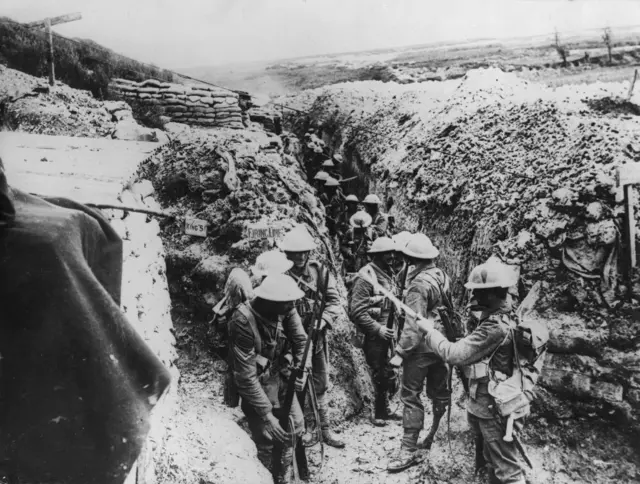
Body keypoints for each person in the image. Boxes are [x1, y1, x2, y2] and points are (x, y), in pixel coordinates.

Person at [413, 260, 545, 484]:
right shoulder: (504, 318)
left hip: (495, 408)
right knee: (493, 461)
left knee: (508, 470)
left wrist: (429, 332)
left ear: (493, 294)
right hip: (489, 404)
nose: (473, 295)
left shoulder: (495, 328)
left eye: (478, 291)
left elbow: (454, 354)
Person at [228, 274, 309, 484]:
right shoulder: (242, 320)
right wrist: (267, 415)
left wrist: (302, 370)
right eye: (288, 303)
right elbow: (246, 377)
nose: (293, 306)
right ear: (272, 302)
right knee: (266, 438)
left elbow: (301, 340)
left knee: (296, 425)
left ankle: (285, 475)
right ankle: (266, 476)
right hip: (256, 383)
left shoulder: (285, 308)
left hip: (281, 376)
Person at [388, 233, 452, 472]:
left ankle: (408, 448)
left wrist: (400, 352)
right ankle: (435, 436)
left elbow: (414, 325)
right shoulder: (442, 275)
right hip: (441, 344)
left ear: (411, 258)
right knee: (439, 393)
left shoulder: (417, 285)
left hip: (420, 349)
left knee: (411, 396)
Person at [280, 226, 346, 448]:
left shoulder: (320, 272)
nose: (299, 257)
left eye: (303, 252)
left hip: (315, 337)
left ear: (309, 253)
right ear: (286, 254)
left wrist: (324, 320)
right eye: (294, 253)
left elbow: (335, 302)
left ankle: (324, 430)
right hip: (290, 341)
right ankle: (305, 429)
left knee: (320, 383)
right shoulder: (280, 275)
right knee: (297, 383)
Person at [348, 237, 402, 427]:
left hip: (387, 331)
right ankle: (373, 412)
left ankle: (384, 409)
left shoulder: (387, 273)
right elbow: (357, 311)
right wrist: (377, 329)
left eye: (393, 253)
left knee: (385, 371)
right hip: (372, 335)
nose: (392, 257)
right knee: (373, 372)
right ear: (377, 255)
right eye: (387, 253)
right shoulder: (366, 276)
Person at [341, 210, 373, 275]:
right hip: (354, 261)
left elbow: (378, 247)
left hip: (368, 261)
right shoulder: (350, 232)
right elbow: (343, 246)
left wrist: (370, 247)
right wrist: (348, 251)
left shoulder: (372, 233)